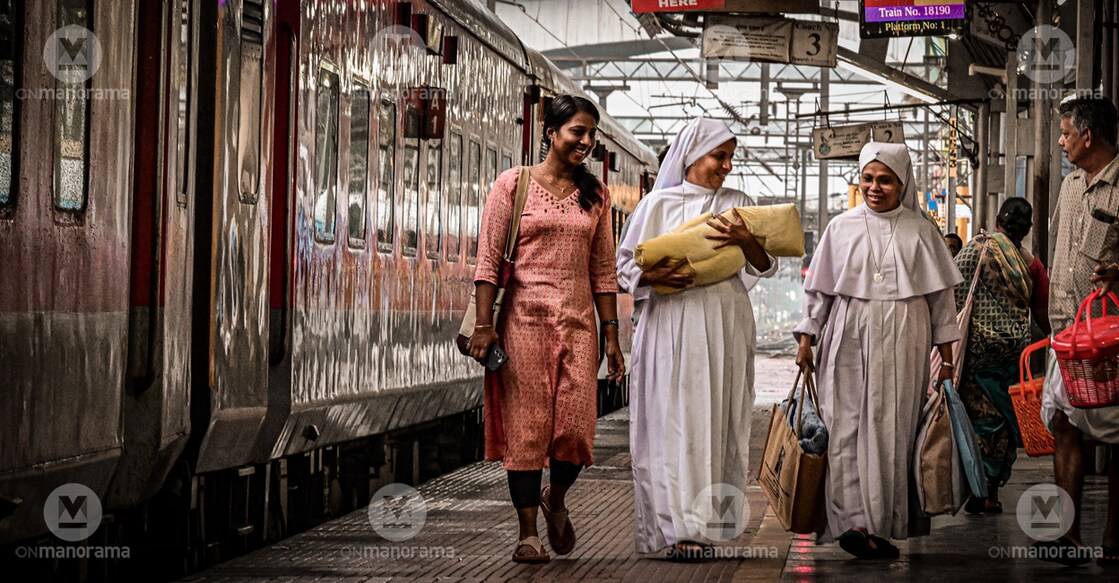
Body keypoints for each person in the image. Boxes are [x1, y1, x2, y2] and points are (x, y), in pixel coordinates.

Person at [466, 94, 626, 564]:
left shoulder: (596, 196)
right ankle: (528, 532)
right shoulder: (512, 187)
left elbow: (603, 271)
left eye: (592, 135)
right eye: (578, 132)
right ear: (550, 133)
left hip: (578, 326)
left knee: (575, 431)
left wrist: (611, 335)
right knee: (528, 431)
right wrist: (482, 326)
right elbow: (488, 261)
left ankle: (556, 499)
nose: (587, 142)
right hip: (522, 325)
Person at [617, 118, 776, 560]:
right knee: (669, 419)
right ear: (692, 155)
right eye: (718, 156)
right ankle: (675, 528)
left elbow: (765, 266)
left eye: (730, 157)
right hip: (670, 320)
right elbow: (624, 268)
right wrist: (652, 275)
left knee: (719, 416)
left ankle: (707, 526)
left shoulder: (739, 204)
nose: (726, 166)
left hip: (725, 321)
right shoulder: (656, 205)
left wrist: (746, 239)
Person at [794, 142, 963, 559]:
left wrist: (946, 361)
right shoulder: (840, 227)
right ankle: (852, 521)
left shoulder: (921, 230)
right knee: (844, 424)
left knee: (892, 428)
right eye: (867, 178)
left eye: (885, 179)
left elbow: (941, 301)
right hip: (847, 330)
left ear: (902, 183)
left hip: (906, 332)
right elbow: (818, 293)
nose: (874, 187)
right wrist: (805, 341)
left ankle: (878, 524)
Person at [1038, 96, 1119, 566]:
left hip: (1111, 338)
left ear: (1088, 137)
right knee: (1063, 424)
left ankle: (1113, 534)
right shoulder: (1069, 186)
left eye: (1066, 134)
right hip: (1066, 333)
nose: (1062, 141)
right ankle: (1065, 533)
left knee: (1118, 434)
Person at [954, 198, 1051, 516]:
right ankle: (992, 492)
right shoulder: (1031, 264)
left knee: (979, 420)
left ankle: (975, 488)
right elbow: (1042, 312)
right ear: (1027, 230)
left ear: (997, 222)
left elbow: (954, 292)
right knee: (1004, 424)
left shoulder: (977, 248)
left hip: (979, 353)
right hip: (1013, 354)